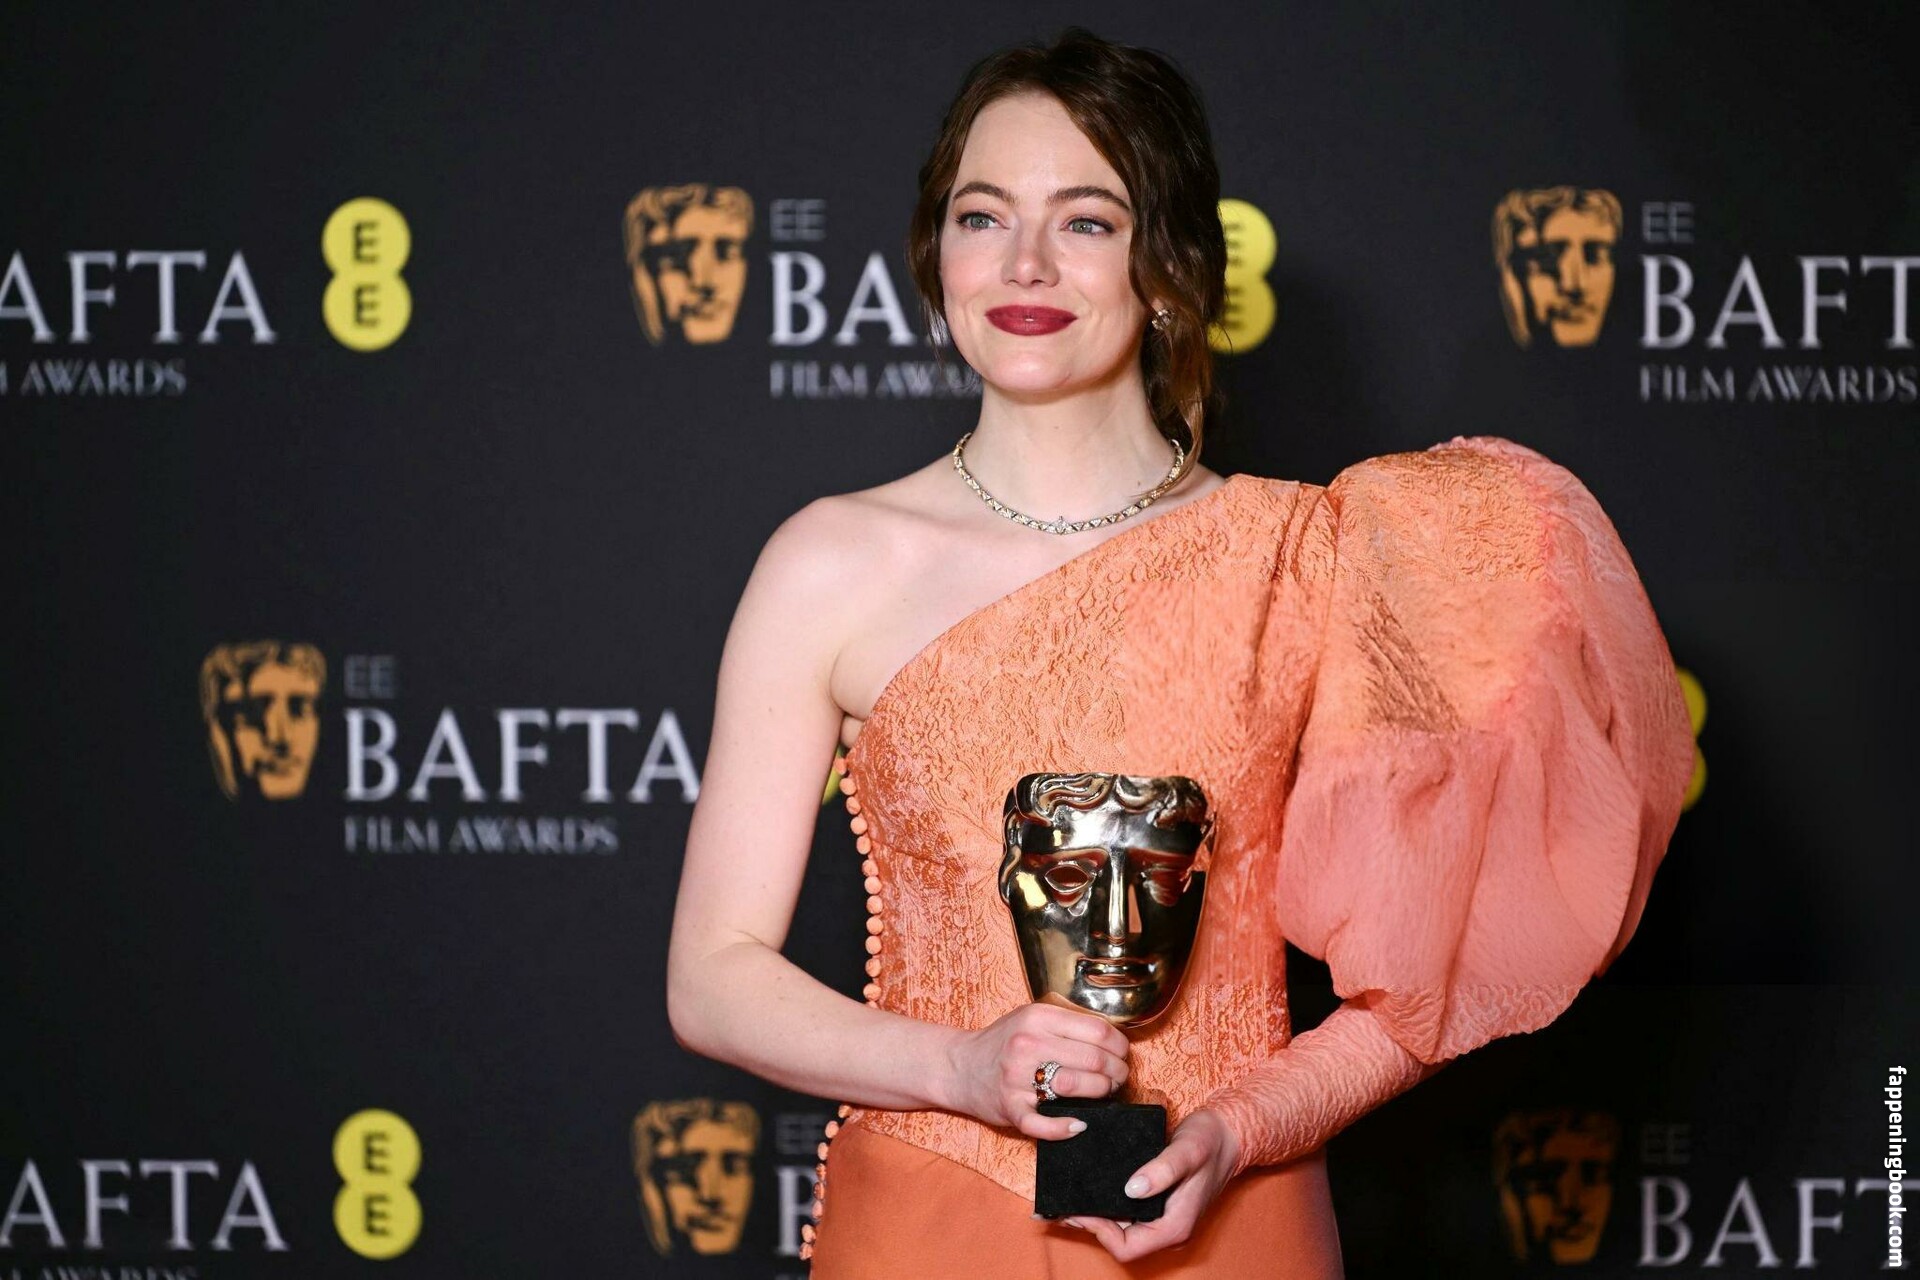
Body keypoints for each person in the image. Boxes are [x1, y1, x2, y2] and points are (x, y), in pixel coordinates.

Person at [665, 27, 1695, 1277]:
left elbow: (1425, 980)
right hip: (930, 1217)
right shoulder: (827, 562)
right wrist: (958, 1064)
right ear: (936, 257)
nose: (1027, 261)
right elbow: (712, 976)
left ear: (1170, 268)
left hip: (1232, 1219)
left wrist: (1244, 1124)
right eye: (983, 216)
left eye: (1087, 220)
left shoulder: (1305, 557)